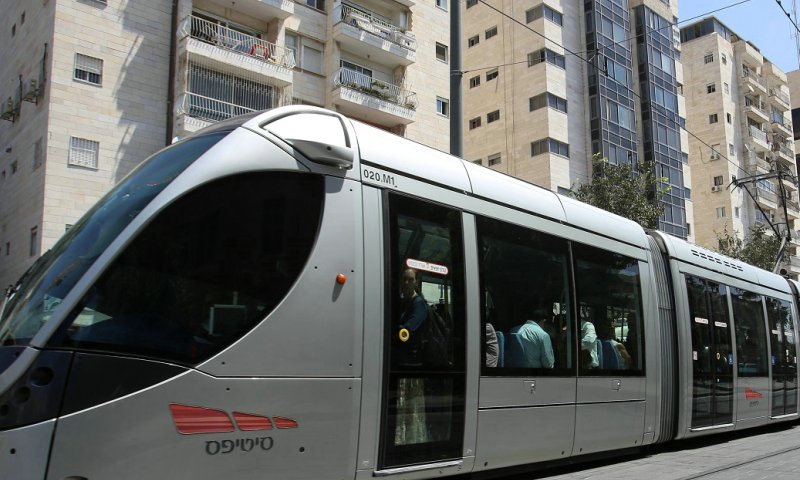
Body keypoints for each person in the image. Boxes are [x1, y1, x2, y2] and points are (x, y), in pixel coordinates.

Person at [397, 268, 428, 366]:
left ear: (416, 283)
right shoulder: (404, 302)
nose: (406, 282)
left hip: (412, 359)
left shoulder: (419, 304)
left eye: (411, 279)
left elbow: (406, 332)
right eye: (404, 279)